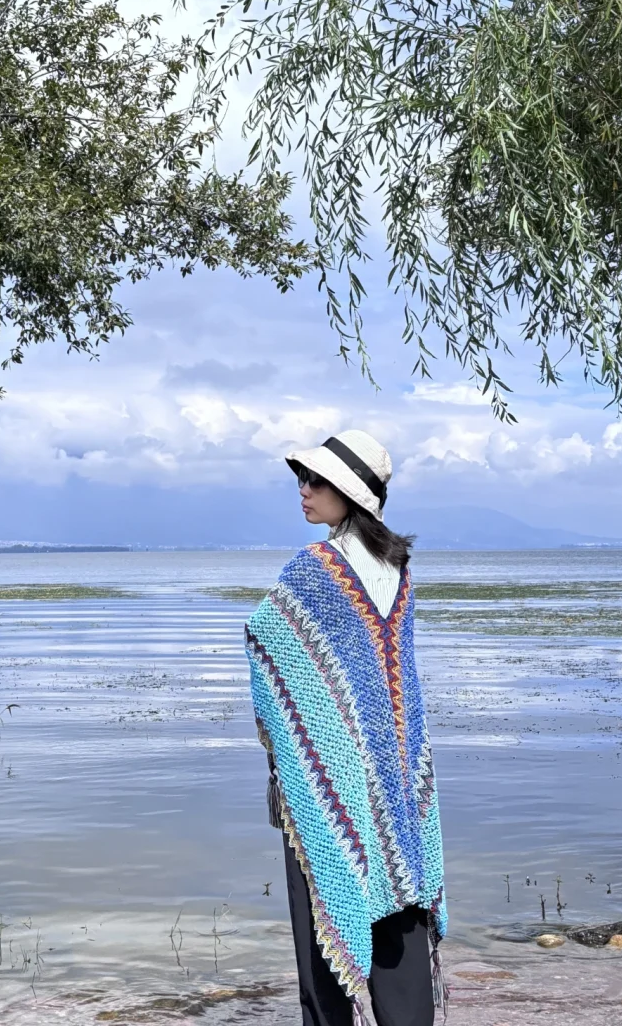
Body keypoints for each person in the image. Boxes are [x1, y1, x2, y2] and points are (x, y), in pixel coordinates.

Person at [245, 429, 447, 1026]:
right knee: (400, 928)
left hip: (327, 785)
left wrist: (301, 749)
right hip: (397, 789)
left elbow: (264, 639)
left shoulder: (315, 568)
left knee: (324, 949)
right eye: (302, 479)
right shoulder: (397, 568)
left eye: (316, 481)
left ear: (350, 493)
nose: (303, 490)